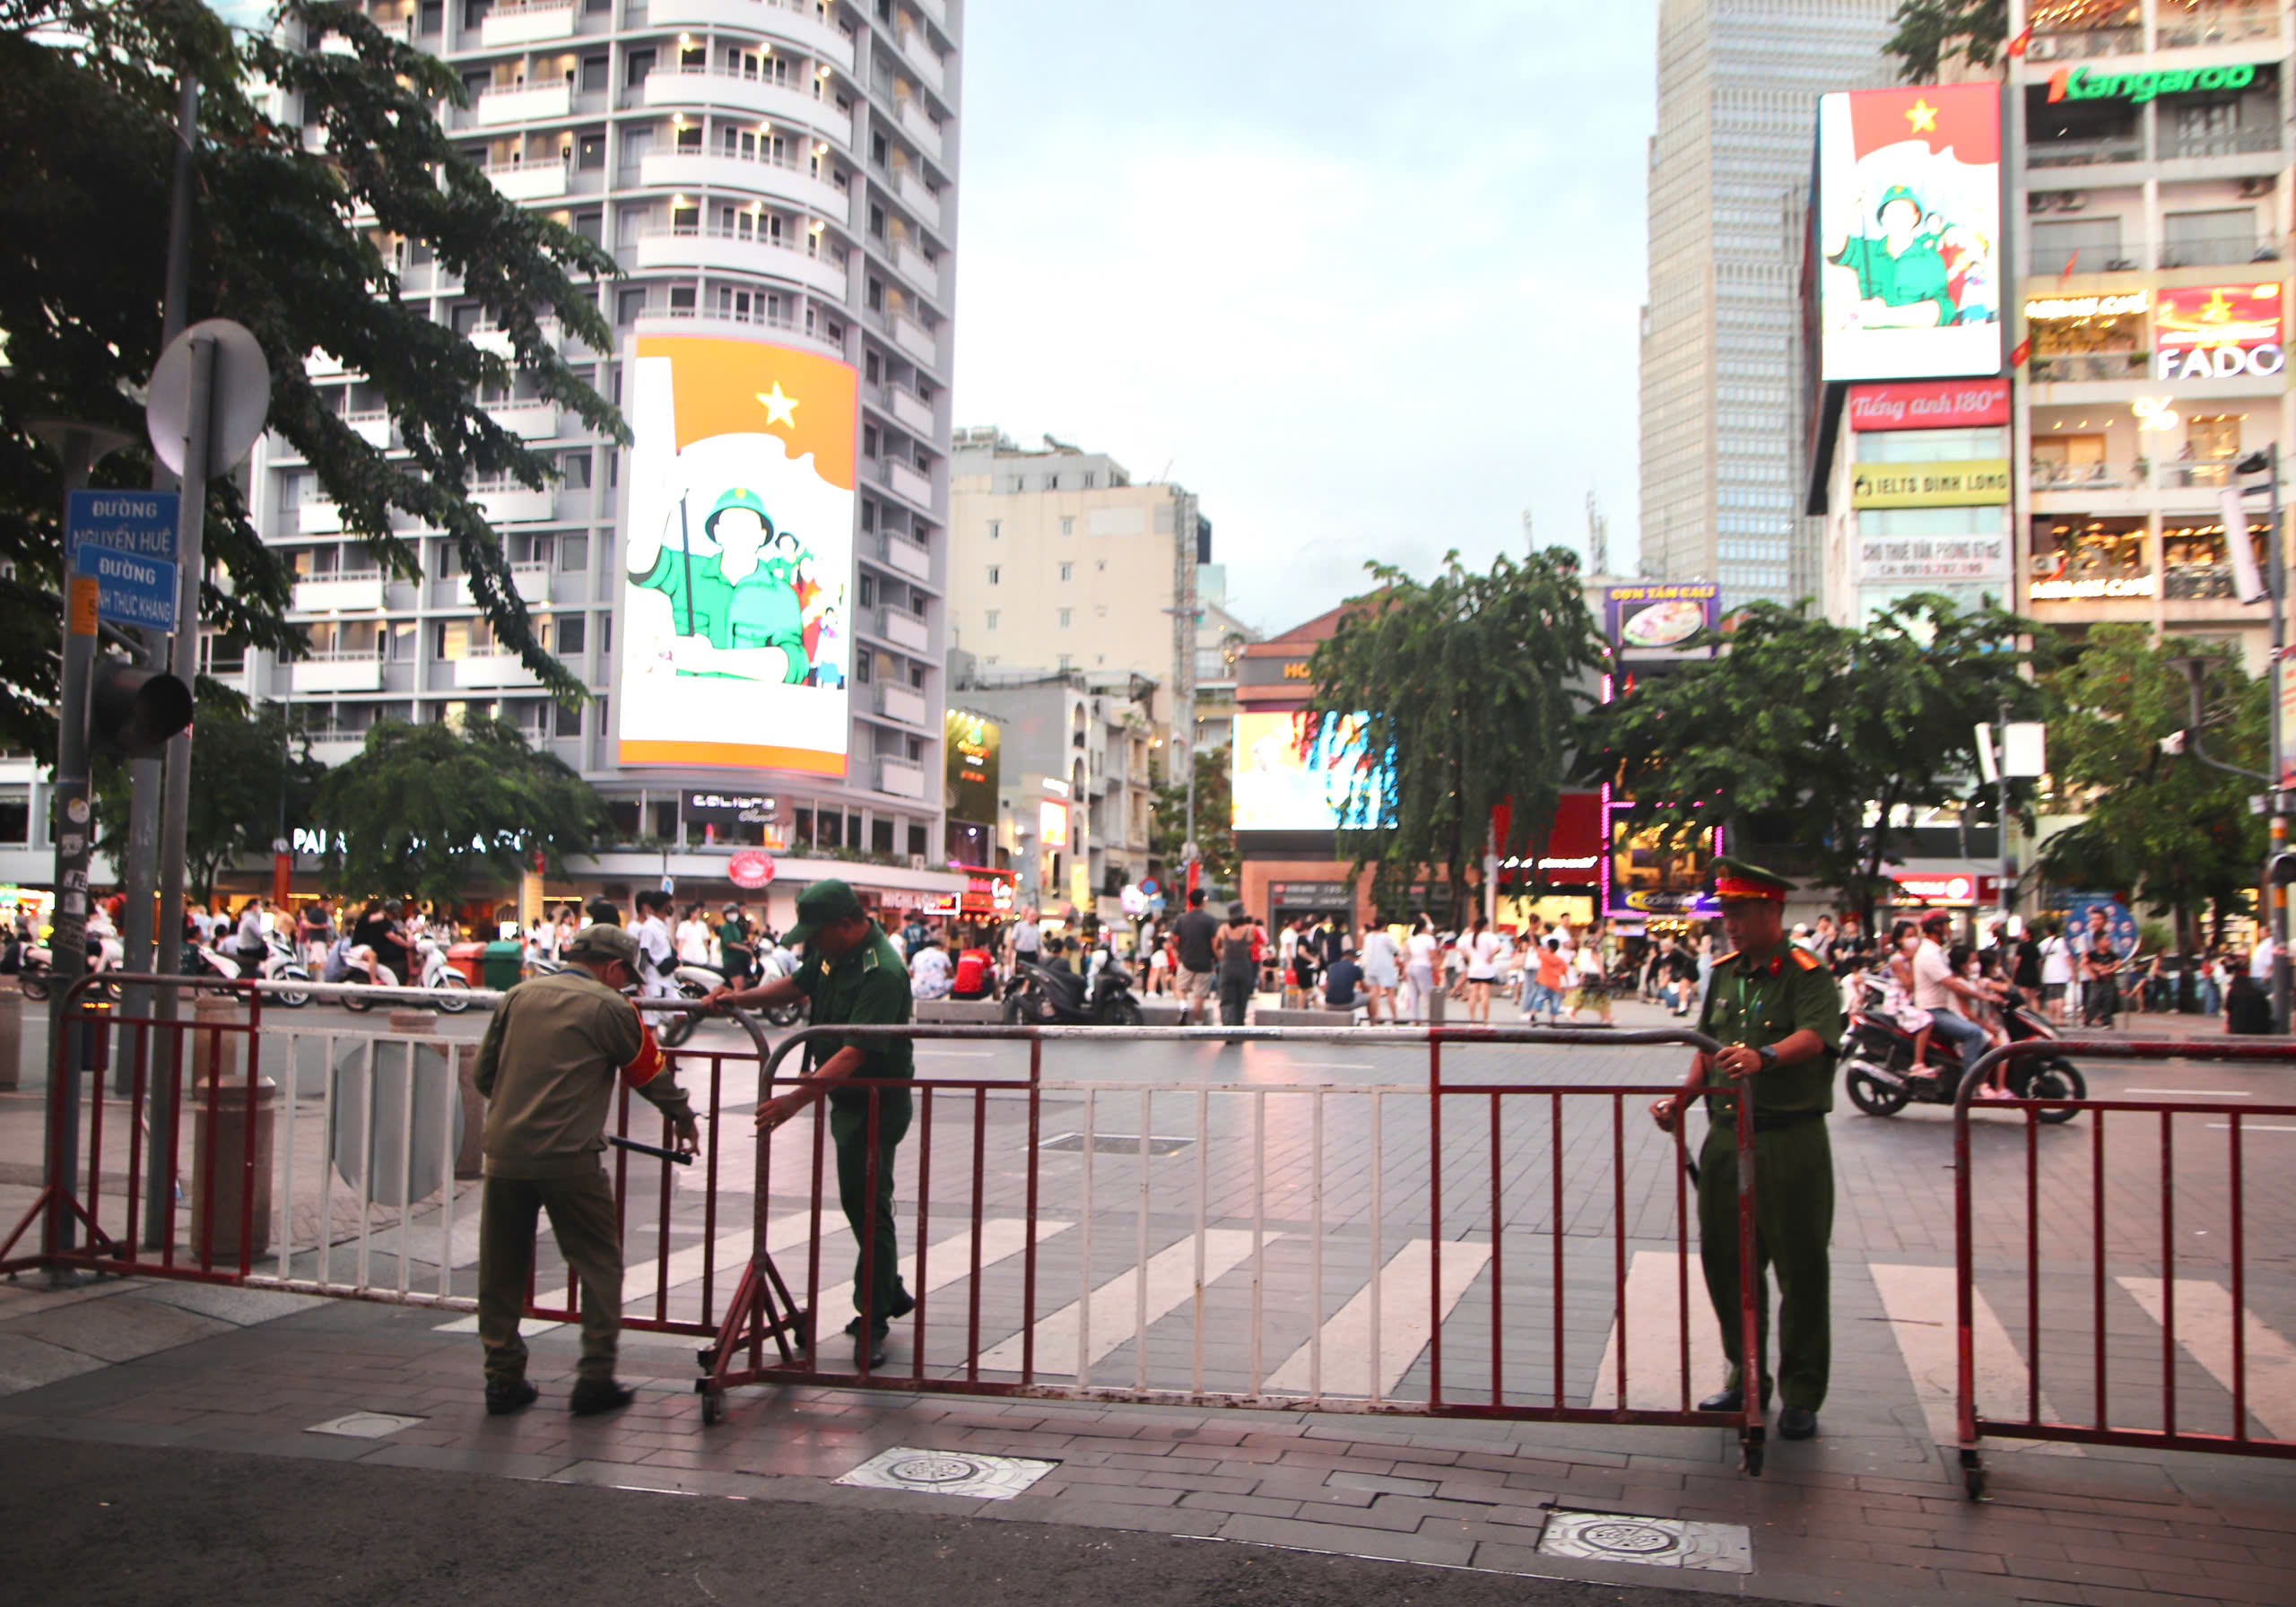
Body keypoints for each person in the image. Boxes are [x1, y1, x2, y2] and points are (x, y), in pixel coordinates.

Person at [1649, 858, 1843, 1444]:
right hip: (1728, 1139)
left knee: (1801, 1269)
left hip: (1790, 1139)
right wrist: (1680, 1103)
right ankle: (1745, 1375)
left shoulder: (1807, 974)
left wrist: (1768, 1057)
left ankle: (1802, 1392)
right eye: (1726, 912)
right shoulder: (1725, 973)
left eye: (1740, 912)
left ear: (1773, 911)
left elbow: (1817, 1034)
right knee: (1726, 1262)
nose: (1729, 923)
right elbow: (1706, 1049)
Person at [473, 923, 699, 1416]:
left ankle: (502, 1379)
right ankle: (595, 1377)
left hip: (507, 1152)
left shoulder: (519, 994)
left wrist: (520, 1113)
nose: (626, 986)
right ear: (613, 967)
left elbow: (483, 1073)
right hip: (570, 1157)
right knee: (598, 1263)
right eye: (626, 976)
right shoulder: (610, 1007)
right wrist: (681, 1116)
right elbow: (648, 1075)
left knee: (501, 1268)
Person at [708, 880, 918, 1369]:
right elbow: (799, 985)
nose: (812, 944)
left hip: (874, 1102)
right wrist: (736, 1000)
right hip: (845, 1098)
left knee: (867, 1205)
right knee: (862, 1202)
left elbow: (855, 1051)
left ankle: (874, 1319)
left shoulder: (881, 971)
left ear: (847, 924)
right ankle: (888, 1289)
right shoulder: (834, 955)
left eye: (817, 934)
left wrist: (793, 1101)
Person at [1912, 910, 1994, 1082]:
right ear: (1937, 928)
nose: (1950, 930)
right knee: (1974, 1033)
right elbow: (1951, 984)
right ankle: (1968, 1085)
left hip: (1943, 1009)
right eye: (1947, 926)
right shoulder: (1929, 954)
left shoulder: (1938, 952)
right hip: (1934, 1011)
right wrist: (1982, 997)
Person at [1171, 889, 1220, 1025]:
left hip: (1186, 960)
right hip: (1205, 963)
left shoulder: (1182, 919)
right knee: (1200, 996)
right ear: (1203, 901)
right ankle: (1198, 1023)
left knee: (1179, 988)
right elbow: (1214, 943)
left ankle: (1183, 1006)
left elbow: (1173, 938)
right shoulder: (1210, 920)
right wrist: (1219, 958)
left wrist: (1179, 951)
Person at [1213, 903, 1257, 1029]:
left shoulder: (1223, 929)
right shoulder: (1249, 930)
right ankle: (1239, 1029)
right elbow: (1251, 944)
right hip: (1244, 966)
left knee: (1227, 999)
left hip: (1227, 966)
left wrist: (1223, 959)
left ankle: (1228, 1028)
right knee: (1242, 999)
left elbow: (1216, 946)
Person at [1360, 921, 1400, 1024]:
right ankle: (1395, 1017)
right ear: (1384, 926)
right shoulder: (1386, 937)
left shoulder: (1368, 937)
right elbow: (1396, 949)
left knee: (1374, 993)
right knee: (1390, 992)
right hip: (1385, 967)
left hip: (1370, 968)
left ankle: (1376, 1016)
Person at [1463, 914, 1499, 1024]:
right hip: (1486, 969)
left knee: (1473, 995)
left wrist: (1468, 957)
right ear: (1486, 925)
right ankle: (1485, 1021)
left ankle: (1472, 1021)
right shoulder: (1489, 936)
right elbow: (1498, 948)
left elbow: (1459, 947)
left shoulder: (1470, 936)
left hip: (1473, 969)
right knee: (1485, 995)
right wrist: (1491, 956)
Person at [1403, 915, 1439, 1022]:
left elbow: (1406, 954)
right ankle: (1432, 1018)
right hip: (1423, 966)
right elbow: (1433, 955)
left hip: (1411, 966)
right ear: (1424, 928)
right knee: (1428, 994)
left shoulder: (1412, 939)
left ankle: (1415, 1019)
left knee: (1413, 995)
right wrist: (1435, 967)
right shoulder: (1429, 939)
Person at [908, 929, 952, 1001]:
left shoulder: (917, 955)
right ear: (939, 947)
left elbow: (910, 975)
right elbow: (951, 975)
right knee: (952, 981)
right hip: (937, 993)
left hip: (917, 992)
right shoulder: (942, 955)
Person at [1321, 944, 1365, 1013]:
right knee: (1372, 996)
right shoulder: (1355, 968)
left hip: (1329, 1003)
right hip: (1346, 1003)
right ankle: (1373, 1022)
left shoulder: (1332, 967)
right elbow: (1364, 988)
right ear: (1353, 958)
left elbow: (1326, 987)